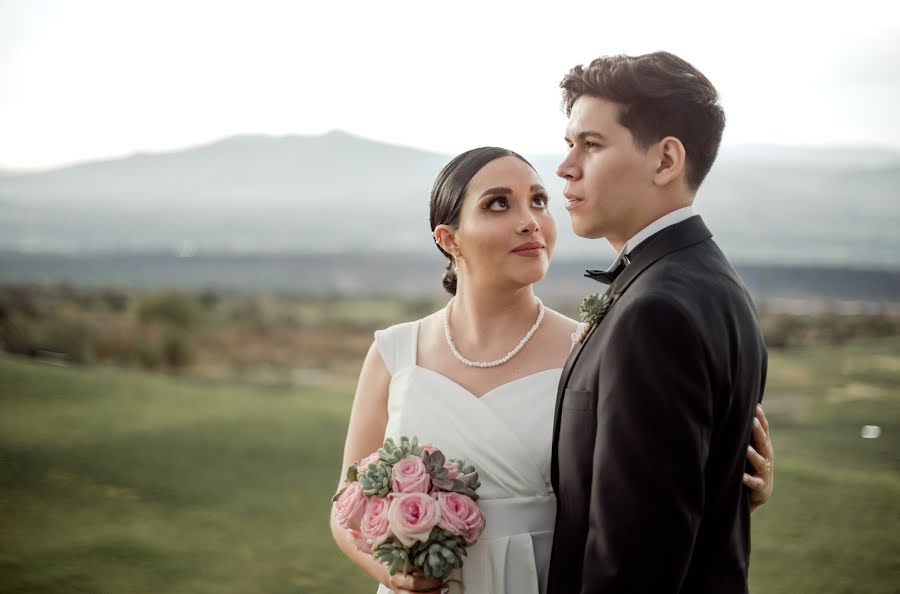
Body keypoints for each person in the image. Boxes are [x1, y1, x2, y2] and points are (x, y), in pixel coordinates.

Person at [332, 145, 774, 593]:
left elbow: (650, 497)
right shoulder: (394, 354)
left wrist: (726, 493)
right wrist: (394, 575)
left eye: (539, 201)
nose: (531, 221)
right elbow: (344, 506)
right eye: (498, 204)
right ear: (449, 239)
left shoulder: (594, 349)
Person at [548, 51, 769, 594]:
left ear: (666, 160)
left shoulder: (654, 313)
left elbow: (633, 563)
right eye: (569, 144)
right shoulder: (714, 282)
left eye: (591, 144)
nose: (565, 167)